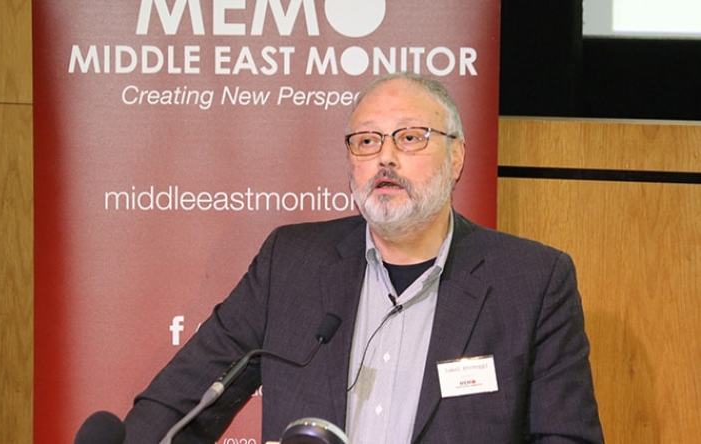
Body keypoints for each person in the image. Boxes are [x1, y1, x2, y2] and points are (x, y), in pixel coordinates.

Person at [123, 73, 604, 443]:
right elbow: (176, 407)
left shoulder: (532, 282)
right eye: (367, 141)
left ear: (456, 156)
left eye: (410, 137)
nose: (385, 158)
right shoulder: (290, 264)